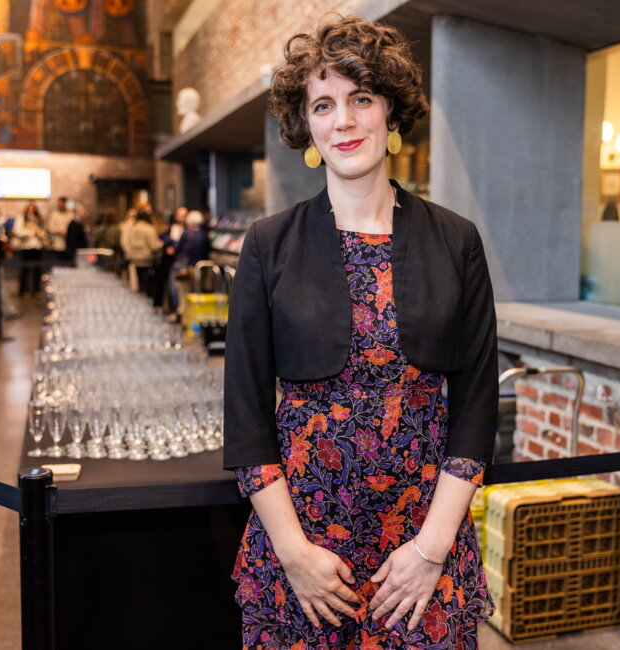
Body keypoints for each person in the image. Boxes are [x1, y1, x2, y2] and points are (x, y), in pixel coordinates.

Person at [223, 16, 497, 649]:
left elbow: (477, 407)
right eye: (324, 105)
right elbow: (245, 418)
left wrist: (431, 550)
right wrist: (292, 553)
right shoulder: (268, 245)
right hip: (305, 549)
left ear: (391, 114)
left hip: (424, 547)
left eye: (361, 99)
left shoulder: (456, 240)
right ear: (308, 127)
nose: (343, 121)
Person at [126, 209, 162, 300]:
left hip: (136, 257)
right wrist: (160, 245)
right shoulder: (149, 228)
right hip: (147, 258)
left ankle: (140, 298)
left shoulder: (133, 228)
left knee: (140, 280)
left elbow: (129, 241)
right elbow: (153, 246)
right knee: (148, 282)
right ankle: (147, 300)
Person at [13, 202, 46, 297]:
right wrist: (31, 232)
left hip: (37, 246)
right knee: (25, 269)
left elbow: (43, 231)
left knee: (37, 269)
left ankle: (36, 289)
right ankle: (24, 290)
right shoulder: (22, 218)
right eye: (30, 208)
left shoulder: (38, 218)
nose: (31, 210)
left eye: (33, 208)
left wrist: (39, 233)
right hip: (27, 246)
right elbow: (17, 231)